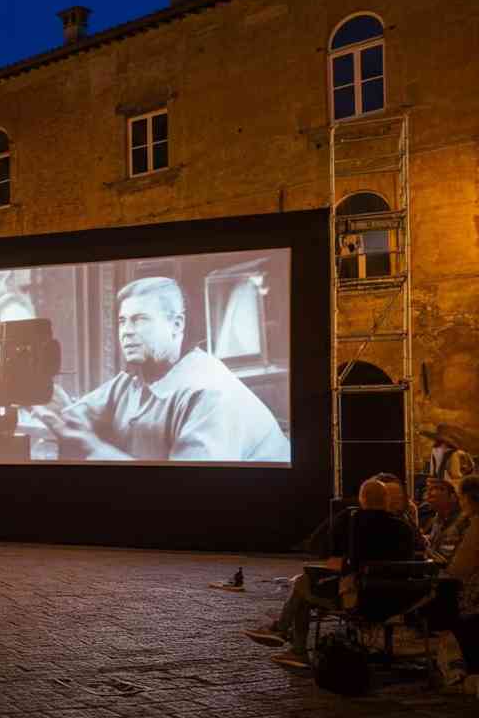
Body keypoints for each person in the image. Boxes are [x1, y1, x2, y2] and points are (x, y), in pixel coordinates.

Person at [21, 277, 289, 463]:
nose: (126, 332)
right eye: (123, 321)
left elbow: (191, 495)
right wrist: (46, 397)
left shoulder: (209, 393)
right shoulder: (133, 379)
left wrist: (92, 446)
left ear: (177, 325)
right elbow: (76, 418)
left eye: (140, 320)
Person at [243, 477, 417, 667]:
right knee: (304, 586)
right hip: (398, 600)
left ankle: (288, 637)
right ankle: (288, 639)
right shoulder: (404, 528)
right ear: (387, 501)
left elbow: (329, 557)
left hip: (358, 599)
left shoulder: (352, 523)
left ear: (362, 499)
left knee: (302, 583)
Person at [444, 475, 479, 685]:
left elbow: (460, 567)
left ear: (468, 498)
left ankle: (471, 664)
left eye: (460, 497)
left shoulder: (476, 525)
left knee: (447, 600)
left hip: (474, 596)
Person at [425, 479, 470, 564]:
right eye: (430, 490)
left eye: (439, 488)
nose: (431, 493)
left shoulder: (462, 521)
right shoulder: (437, 518)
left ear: (453, 497)